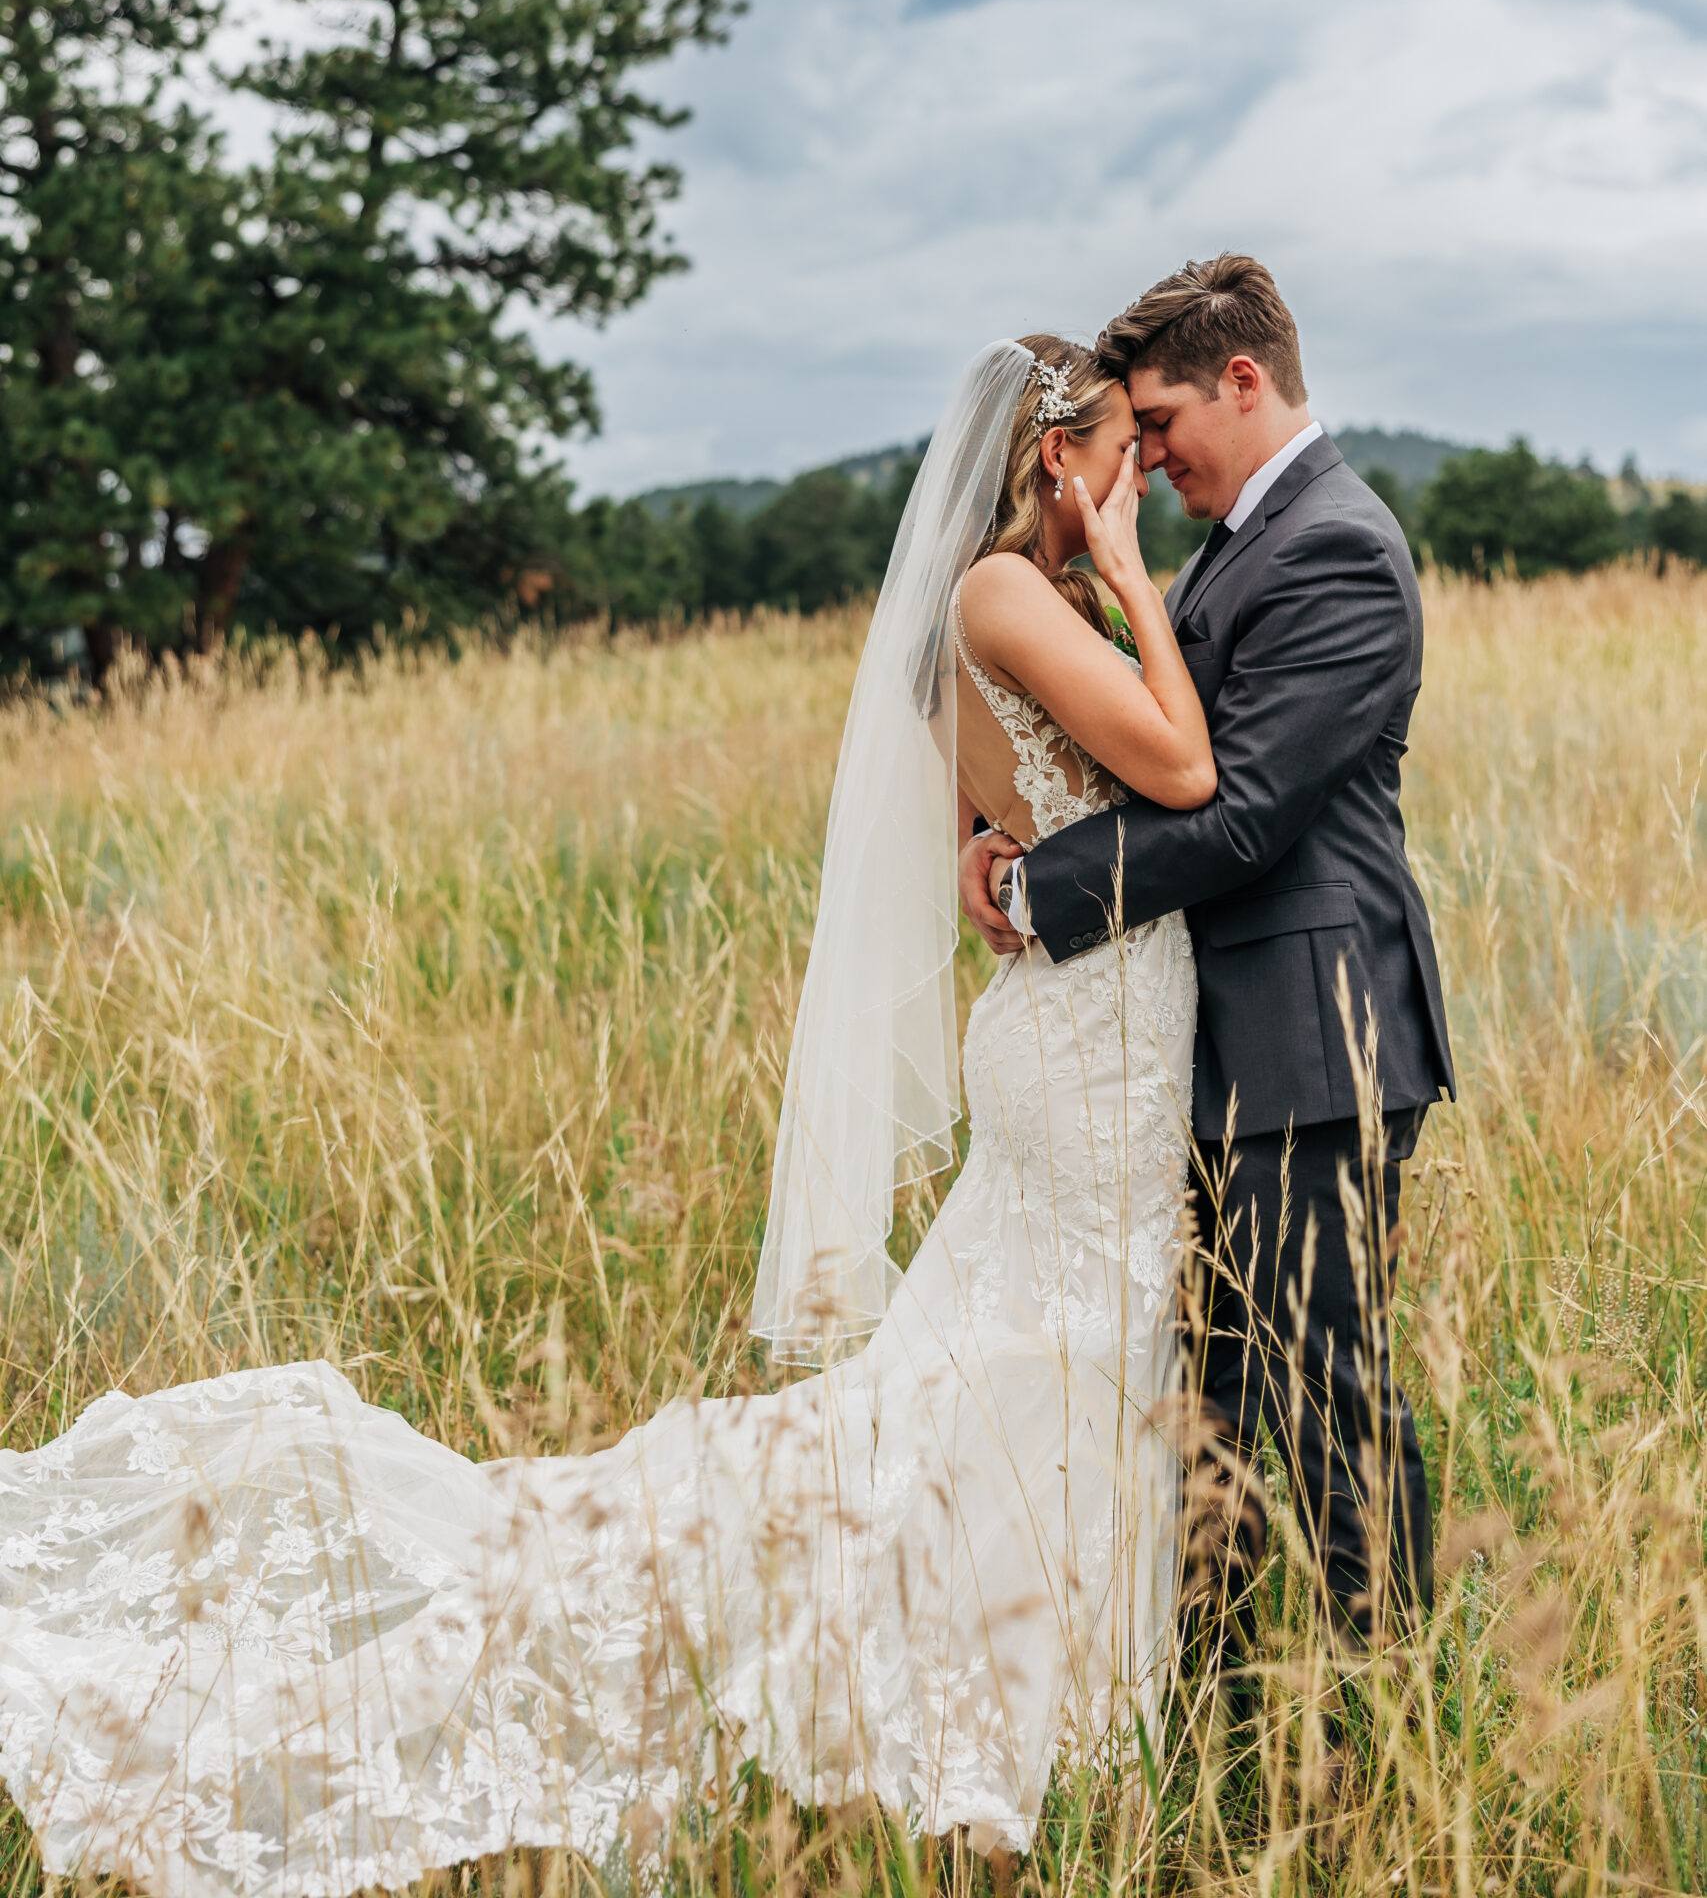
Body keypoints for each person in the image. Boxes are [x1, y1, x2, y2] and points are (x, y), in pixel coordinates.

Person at [0, 334, 1210, 1898]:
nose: (1139, 486)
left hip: (1085, 1020)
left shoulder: (1010, 610)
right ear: (1063, 461)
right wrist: (1139, 586)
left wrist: (1010, 833)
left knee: (1030, 1363)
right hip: (1083, 1043)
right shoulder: (1004, 595)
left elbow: (1004, 829)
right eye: (1122, 457)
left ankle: (1045, 1692)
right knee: (1039, 1357)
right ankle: (961, 1695)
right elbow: (1178, 768)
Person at [960, 255, 1455, 1650]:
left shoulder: (1337, 546)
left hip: (1316, 1037)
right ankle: (1226, 1701)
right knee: (1222, 1398)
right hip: (1214, 1039)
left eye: (1166, 418)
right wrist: (985, 836)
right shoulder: (1244, 538)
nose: (1151, 452)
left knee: (1326, 1395)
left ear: (1246, 380)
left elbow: (1239, 820)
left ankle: (1382, 1715)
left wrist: (1042, 889)